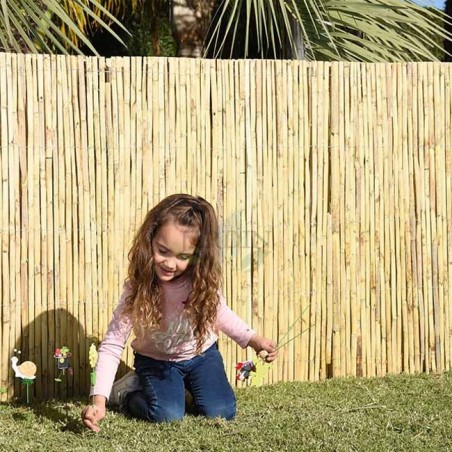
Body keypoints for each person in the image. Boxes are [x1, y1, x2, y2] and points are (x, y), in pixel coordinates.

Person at [81, 194, 277, 432]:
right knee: (167, 414)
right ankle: (127, 392)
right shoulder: (138, 287)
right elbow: (113, 343)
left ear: (196, 256)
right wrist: (98, 400)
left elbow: (220, 313)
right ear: (150, 238)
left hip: (202, 355)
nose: (170, 264)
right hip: (157, 361)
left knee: (222, 411)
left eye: (183, 257)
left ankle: (184, 387)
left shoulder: (200, 281)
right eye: (163, 251)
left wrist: (253, 340)